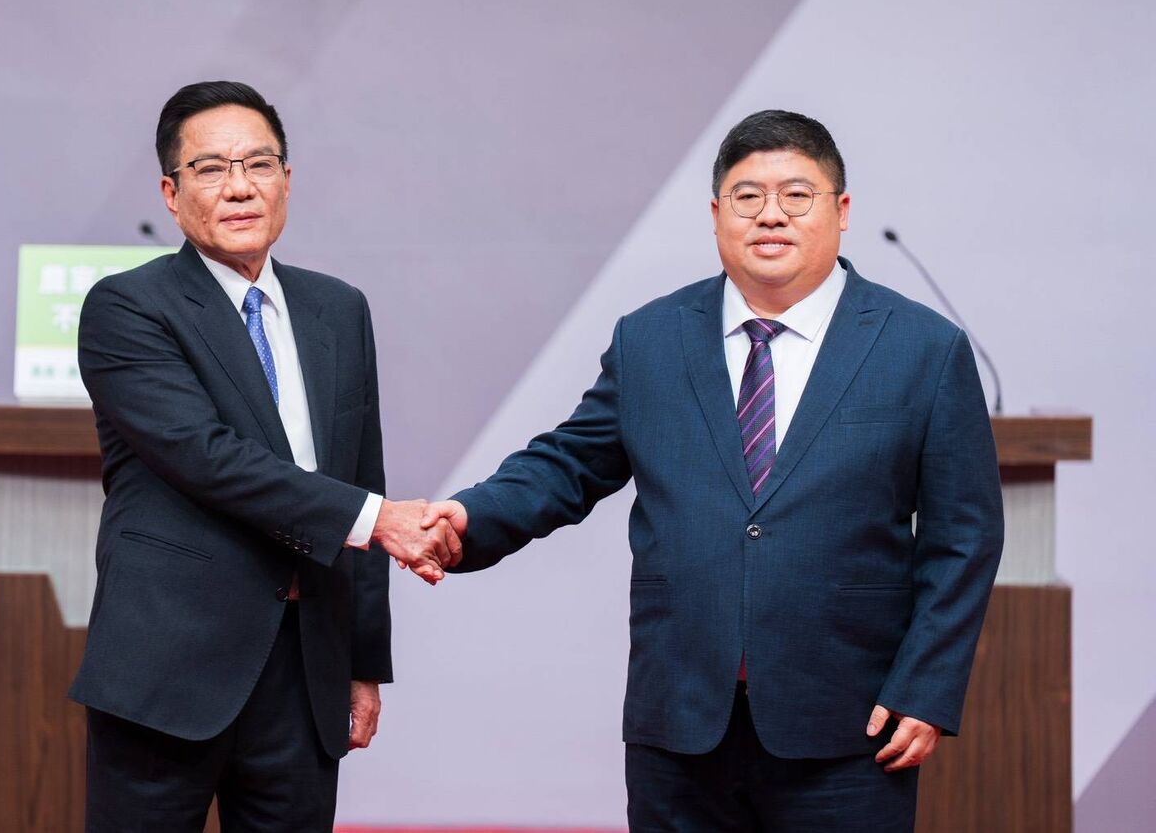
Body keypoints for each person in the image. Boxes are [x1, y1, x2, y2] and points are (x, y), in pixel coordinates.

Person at [423, 110, 1003, 831]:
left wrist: (927, 687)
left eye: (797, 196)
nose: (771, 215)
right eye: (747, 196)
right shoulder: (652, 338)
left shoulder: (922, 348)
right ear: (716, 214)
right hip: (681, 720)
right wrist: (469, 517)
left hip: (850, 726)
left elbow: (964, 536)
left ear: (842, 210)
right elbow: (569, 463)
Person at [69, 81, 458, 832]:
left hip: (304, 672)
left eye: (259, 164)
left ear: (286, 179)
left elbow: (361, 475)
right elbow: (207, 457)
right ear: (171, 193)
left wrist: (362, 662)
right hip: (168, 670)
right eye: (211, 168)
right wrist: (378, 519)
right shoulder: (129, 306)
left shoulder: (337, 308)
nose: (240, 186)